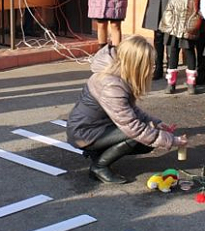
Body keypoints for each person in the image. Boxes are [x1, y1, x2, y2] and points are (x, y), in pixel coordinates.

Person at [66, 35, 187, 184]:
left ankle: (98, 153)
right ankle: (99, 167)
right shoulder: (111, 85)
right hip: (84, 133)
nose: (151, 67)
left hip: (97, 127)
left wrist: (156, 123)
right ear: (136, 64)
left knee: (145, 135)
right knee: (136, 135)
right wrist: (172, 141)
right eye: (149, 64)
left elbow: (129, 110)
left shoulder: (116, 75)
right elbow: (133, 127)